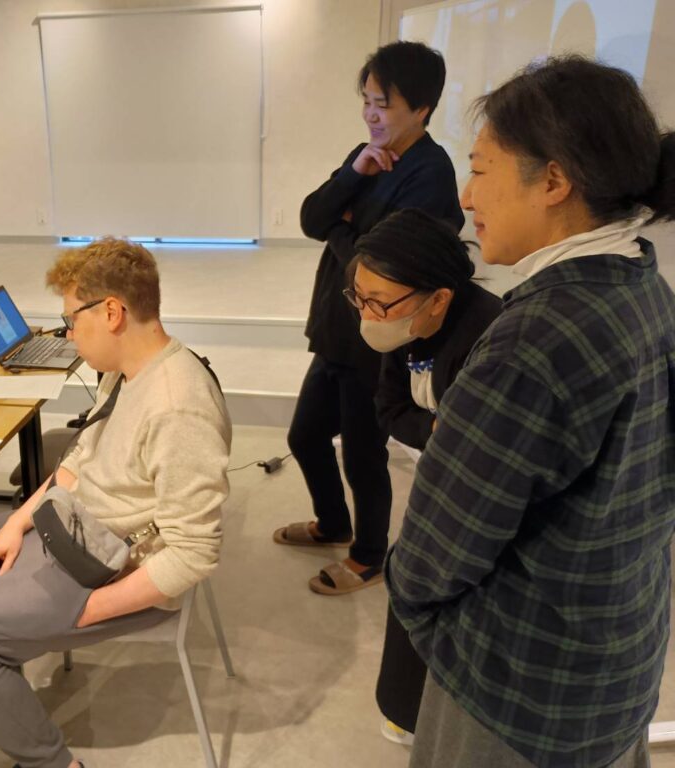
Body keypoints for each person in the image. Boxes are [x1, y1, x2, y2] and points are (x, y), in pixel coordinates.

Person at [386, 56, 675, 768]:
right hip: (616, 663)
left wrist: (432, 626)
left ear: (553, 181)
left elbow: (434, 552)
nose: (466, 195)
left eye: (480, 169)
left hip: (519, 693)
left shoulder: (533, 339)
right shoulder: (644, 284)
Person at [0, 237, 232, 768]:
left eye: (70, 320)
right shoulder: (126, 369)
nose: (67, 334)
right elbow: (80, 459)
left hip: (107, 570)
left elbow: (194, 553)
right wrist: (16, 524)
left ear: (111, 312)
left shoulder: (178, 406)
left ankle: (53, 762)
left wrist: (88, 611)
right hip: (71, 528)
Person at [274, 41, 464, 595]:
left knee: (362, 455)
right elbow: (312, 218)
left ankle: (368, 556)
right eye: (367, 101)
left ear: (422, 109)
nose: (371, 115)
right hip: (338, 326)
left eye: (384, 104)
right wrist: (350, 179)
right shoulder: (367, 155)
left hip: (378, 340)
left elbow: (382, 264)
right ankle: (333, 524)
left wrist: (342, 228)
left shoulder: (431, 174)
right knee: (305, 436)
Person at [340, 208, 501, 740]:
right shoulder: (405, 328)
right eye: (359, 298)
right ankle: (406, 713)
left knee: (439, 593)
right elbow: (390, 409)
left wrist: (439, 432)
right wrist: (437, 429)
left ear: (439, 298)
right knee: (410, 584)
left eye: (379, 303)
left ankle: (436, 719)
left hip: (475, 494)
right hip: (437, 475)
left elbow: (477, 443)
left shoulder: (490, 336)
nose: (368, 314)